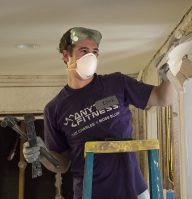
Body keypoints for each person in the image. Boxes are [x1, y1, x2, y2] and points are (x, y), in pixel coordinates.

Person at [23, 27, 175, 199]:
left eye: (94, 52)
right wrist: (43, 154)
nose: (91, 57)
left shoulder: (116, 84)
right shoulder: (54, 109)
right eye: (84, 51)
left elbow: (163, 99)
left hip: (133, 190)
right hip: (89, 194)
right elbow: (62, 165)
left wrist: (168, 77)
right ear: (66, 56)